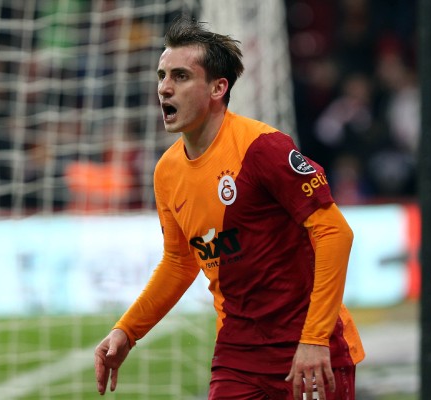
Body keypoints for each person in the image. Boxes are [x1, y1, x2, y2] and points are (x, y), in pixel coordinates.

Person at [94, 15, 365, 400]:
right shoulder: (167, 172)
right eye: (162, 76)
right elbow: (179, 261)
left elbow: (335, 233)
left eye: (181, 77)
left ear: (218, 88)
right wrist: (127, 330)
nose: (165, 88)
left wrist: (315, 339)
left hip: (309, 347)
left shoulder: (263, 148)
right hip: (239, 356)